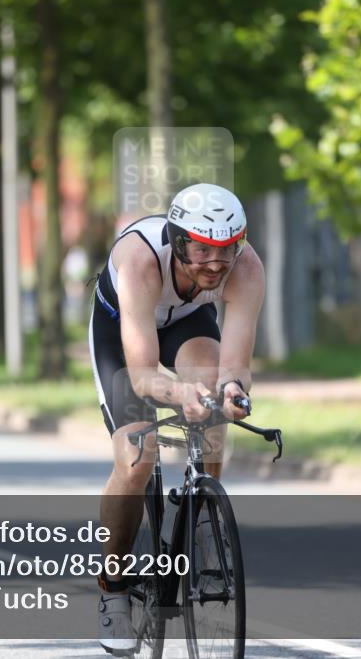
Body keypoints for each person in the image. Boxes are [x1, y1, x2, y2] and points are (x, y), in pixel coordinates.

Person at [89, 183, 265, 653]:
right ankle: (113, 587)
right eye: (202, 250)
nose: (215, 263)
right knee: (137, 455)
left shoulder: (246, 267)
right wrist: (180, 393)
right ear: (178, 239)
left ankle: (205, 519)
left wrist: (232, 390)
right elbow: (143, 375)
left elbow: (236, 364)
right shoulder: (140, 261)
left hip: (187, 321)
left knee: (213, 388)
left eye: (226, 249)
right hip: (122, 330)